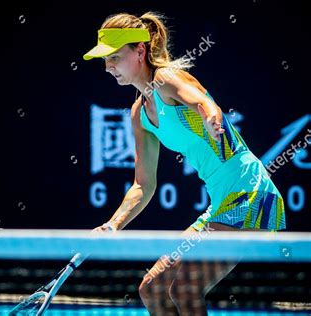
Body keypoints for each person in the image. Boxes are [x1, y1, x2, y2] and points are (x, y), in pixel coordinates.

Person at [85, 11, 286, 315]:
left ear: (139, 50)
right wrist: (113, 225)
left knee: (185, 288)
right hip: (220, 204)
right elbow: (144, 184)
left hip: (252, 194)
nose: (108, 66)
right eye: (105, 60)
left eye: (114, 56)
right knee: (152, 288)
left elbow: (203, 103)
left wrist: (211, 119)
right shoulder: (139, 115)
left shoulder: (166, 78)